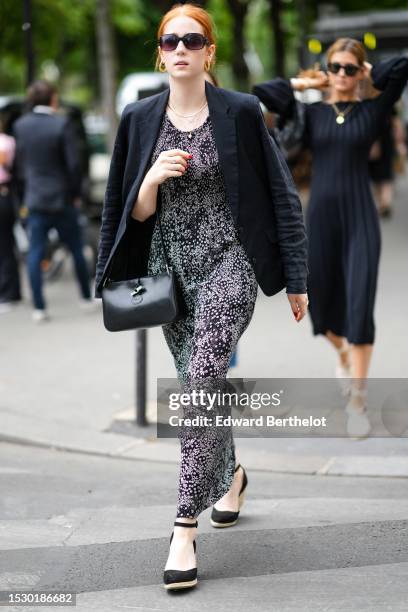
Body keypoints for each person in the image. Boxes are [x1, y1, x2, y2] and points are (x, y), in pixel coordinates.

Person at [95, 2, 308, 591]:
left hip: (231, 262)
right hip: (170, 273)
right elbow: (124, 211)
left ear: (210, 51)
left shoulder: (239, 112)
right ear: (160, 52)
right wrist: (151, 182)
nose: (181, 48)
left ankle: (184, 524)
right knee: (201, 384)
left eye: (192, 39)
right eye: (170, 40)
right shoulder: (139, 119)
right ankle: (232, 474)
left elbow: (281, 194)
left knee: (204, 374)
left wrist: (297, 276)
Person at [253, 39, 408, 438]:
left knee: (359, 304)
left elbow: (403, 68)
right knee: (321, 310)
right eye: (335, 68)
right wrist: (310, 82)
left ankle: (358, 398)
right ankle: (341, 351)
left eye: (349, 68)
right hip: (319, 219)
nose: (341, 75)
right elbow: (263, 92)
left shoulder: (373, 111)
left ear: (360, 72)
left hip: (361, 219)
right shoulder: (311, 114)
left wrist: (371, 76)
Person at [13, 80, 94, 322]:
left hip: (35, 198)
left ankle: (39, 307)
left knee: (36, 251)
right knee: (77, 248)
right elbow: (73, 164)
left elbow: (20, 165)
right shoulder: (62, 123)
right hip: (63, 198)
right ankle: (85, 297)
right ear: (53, 99)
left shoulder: (20, 125)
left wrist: (23, 195)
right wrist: (77, 193)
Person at [0, 120, 22, 313]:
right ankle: (10, 290)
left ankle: (9, 292)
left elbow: (9, 166)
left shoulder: (6, 143)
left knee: (5, 245)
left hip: (4, 193)